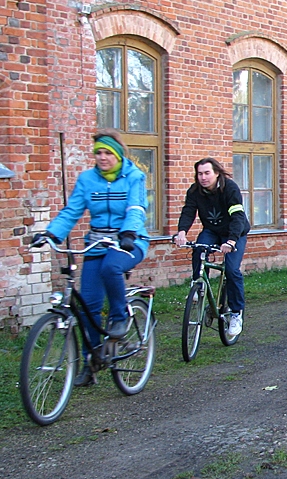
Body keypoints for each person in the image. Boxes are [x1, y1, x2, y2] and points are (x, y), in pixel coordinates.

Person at [33, 129, 149, 386]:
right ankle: (91, 362)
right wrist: (51, 234)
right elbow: (71, 211)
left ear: (118, 154)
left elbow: (136, 208)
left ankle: (119, 319)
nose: (102, 157)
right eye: (98, 153)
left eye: (107, 153)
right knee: (89, 307)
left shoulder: (134, 177)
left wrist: (128, 233)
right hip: (96, 244)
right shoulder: (88, 180)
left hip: (129, 242)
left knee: (111, 268)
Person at [174, 158, 251, 339]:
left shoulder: (230, 189)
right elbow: (188, 211)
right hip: (212, 231)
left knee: (232, 270)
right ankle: (198, 284)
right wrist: (182, 232)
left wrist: (231, 241)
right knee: (199, 249)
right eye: (200, 174)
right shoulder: (195, 191)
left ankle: (236, 314)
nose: (203, 177)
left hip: (234, 233)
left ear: (216, 173)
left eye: (207, 173)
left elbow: (238, 216)